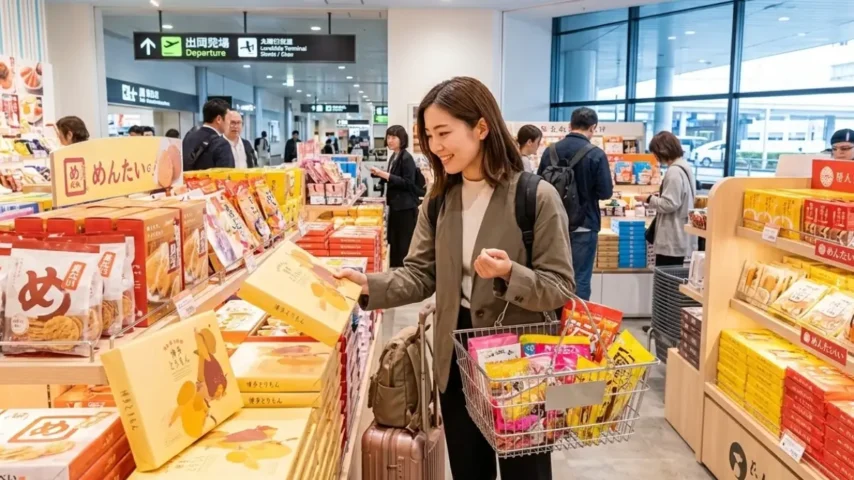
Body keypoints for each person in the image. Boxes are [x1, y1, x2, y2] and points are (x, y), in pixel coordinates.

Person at [334, 76, 574, 480]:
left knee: (526, 472)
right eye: (429, 135)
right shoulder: (441, 198)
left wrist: (508, 273)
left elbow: (560, 286)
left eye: (444, 133)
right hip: (456, 353)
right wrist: (366, 284)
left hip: (520, 360)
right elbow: (420, 274)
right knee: (467, 468)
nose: (436, 146)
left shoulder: (535, 196)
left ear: (481, 128)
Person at [537, 107, 612, 301]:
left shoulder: (550, 151)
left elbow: (537, 186)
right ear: (593, 128)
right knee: (580, 278)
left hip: (552, 224)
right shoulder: (596, 154)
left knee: (551, 276)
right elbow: (605, 192)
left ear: (569, 125)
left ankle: (552, 322)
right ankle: (575, 326)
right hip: (585, 225)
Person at [639, 131, 695, 266]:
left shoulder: (674, 172)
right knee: (674, 278)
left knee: (665, 282)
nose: (655, 156)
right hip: (680, 234)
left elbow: (670, 203)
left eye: (655, 152)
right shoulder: (685, 167)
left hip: (672, 237)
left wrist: (648, 199)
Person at [370, 125, 420, 268]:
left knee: (404, 242)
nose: (390, 140)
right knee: (395, 240)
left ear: (402, 139)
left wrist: (384, 174)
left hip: (405, 207)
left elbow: (408, 183)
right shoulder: (394, 156)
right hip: (396, 205)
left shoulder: (406, 158)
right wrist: (379, 175)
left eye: (394, 137)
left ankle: (404, 272)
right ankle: (396, 270)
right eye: (388, 137)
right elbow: (394, 178)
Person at [183, 98, 235, 171]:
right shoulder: (221, 144)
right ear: (219, 119)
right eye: (229, 120)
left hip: (187, 181)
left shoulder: (188, 137)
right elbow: (227, 176)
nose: (230, 124)